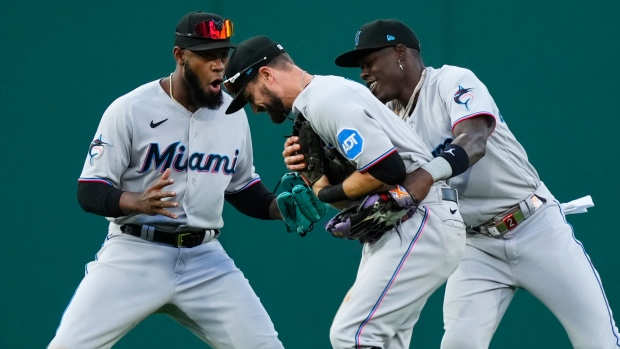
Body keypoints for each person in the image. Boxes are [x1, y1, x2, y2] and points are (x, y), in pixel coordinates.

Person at [325, 19, 619, 348]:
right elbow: (376, 180)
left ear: (400, 53)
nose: (363, 73)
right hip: (475, 247)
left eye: (369, 62)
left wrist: (425, 175)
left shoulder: (452, 81)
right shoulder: (389, 119)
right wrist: (321, 176)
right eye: (361, 67)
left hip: (535, 226)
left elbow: (474, 141)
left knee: (600, 342)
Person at [48, 12, 285, 349]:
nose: (219, 65)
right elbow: (89, 189)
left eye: (222, 55)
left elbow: (242, 188)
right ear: (180, 56)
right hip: (134, 253)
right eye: (206, 56)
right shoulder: (131, 109)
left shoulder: (233, 113)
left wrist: (278, 208)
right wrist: (136, 202)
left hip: (205, 259)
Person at [224, 35, 466, 349]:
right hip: (403, 222)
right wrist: (315, 179)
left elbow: (387, 170)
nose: (253, 107)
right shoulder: (315, 105)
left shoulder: (327, 99)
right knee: (385, 340)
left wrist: (324, 193)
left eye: (250, 93)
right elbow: (364, 183)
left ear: (267, 75)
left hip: (418, 218)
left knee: (352, 335)